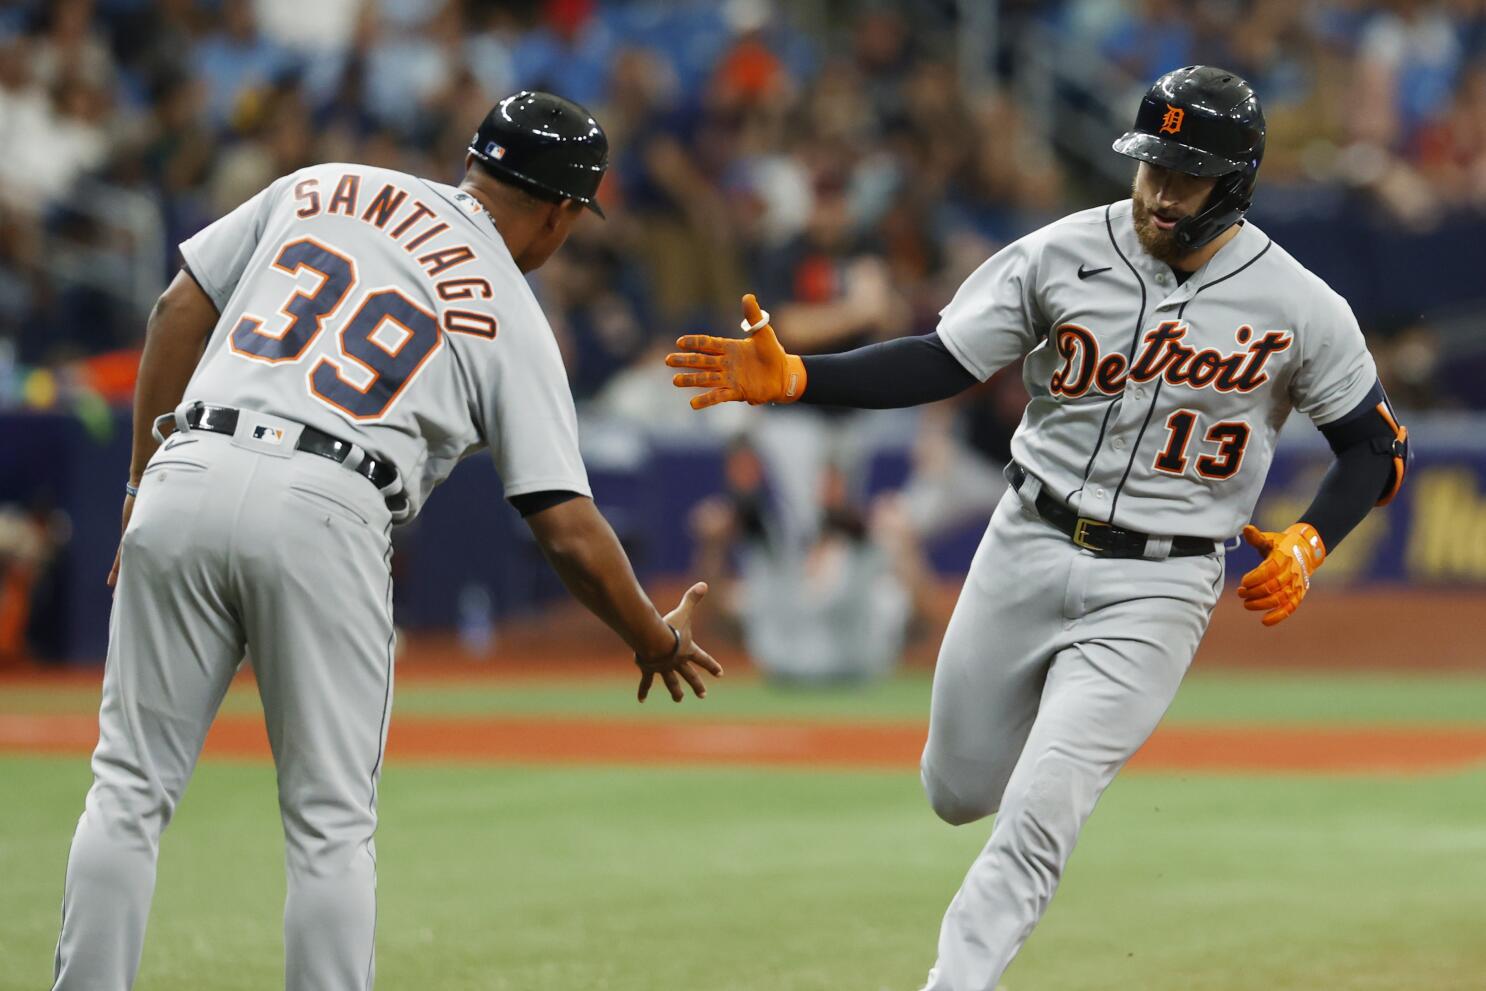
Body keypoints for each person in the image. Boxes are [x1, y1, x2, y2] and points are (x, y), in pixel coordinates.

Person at [668, 66, 1409, 989]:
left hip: (1160, 582)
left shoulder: (1301, 306)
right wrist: (803, 379)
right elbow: (943, 359)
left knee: (1037, 813)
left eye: (1185, 174)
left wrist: (1309, 539)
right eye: (1151, 165)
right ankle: (1041, 745)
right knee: (956, 791)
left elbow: (1373, 449)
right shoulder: (1062, 252)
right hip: (1025, 537)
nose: (1159, 189)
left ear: (1236, 182)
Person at [51, 90, 721, 991]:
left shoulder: (324, 183)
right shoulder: (511, 309)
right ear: (561, 213)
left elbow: (176, 309)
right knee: (329, 825)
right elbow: (565, 525)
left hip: (191, 460)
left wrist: (141, 483)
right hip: (329, 502)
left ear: (477, 162)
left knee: (128, 791)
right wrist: (653, 634)